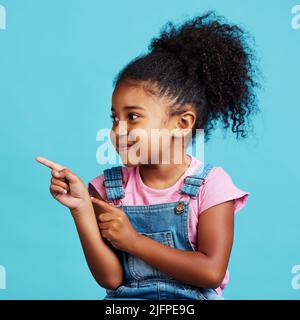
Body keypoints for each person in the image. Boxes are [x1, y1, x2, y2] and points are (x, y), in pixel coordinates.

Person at [36, 10, 259, 300]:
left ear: (182, 123)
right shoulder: (108, 188)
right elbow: (113, 279)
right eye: (115, 118)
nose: (118, 129)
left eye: (133, 117)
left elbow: (211, 272)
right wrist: (81, 210)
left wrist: (133, 241)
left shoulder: (211, 185)